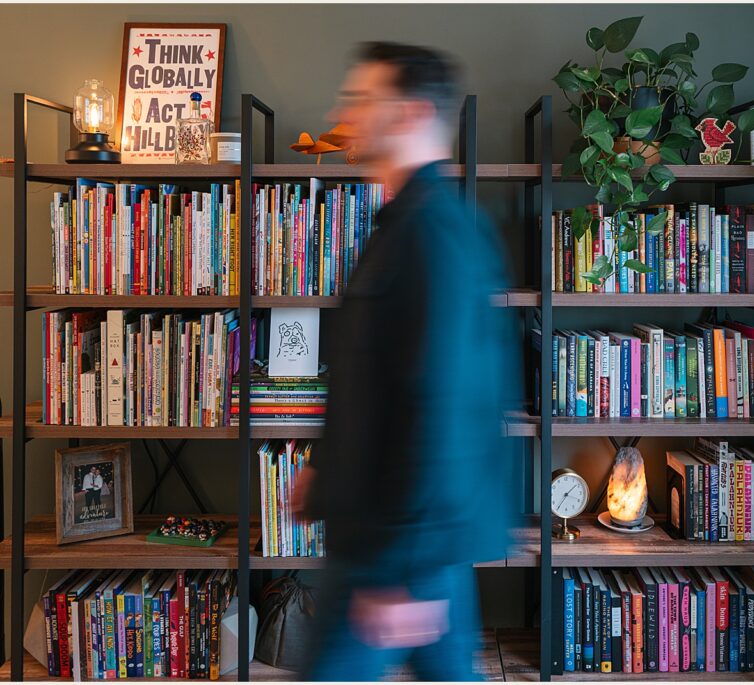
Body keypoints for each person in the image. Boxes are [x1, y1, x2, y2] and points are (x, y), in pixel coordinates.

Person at [293, 42, 520, 681]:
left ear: (411, 112)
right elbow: (379, 378)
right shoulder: (403, 222)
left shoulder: (433, 232)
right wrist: (326, 469)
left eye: (363, 101)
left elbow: (447, 404)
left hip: (395, 550)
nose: (345, 114)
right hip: (396, 536)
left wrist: (405, 575)